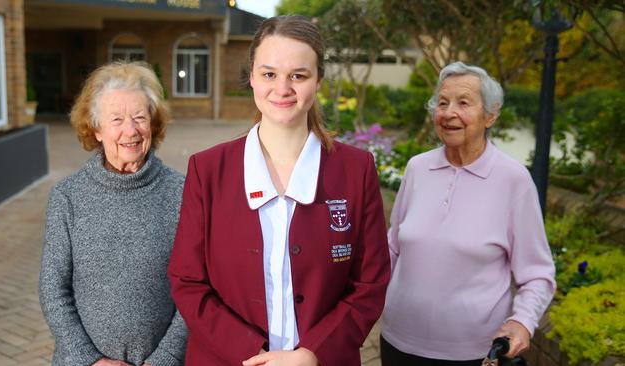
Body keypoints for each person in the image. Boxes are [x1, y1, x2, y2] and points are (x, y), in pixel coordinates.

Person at [167, 15, 390, 366]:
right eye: (269, 74)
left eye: (298, 75)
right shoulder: (208, 170)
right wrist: (249, 353)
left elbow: (371, 282)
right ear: (252, 78)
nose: (282, 88)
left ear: (317, 81)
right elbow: (187, 280)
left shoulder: (355, 170)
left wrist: (313, 353)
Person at [380, 61, 556, 365]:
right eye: (442, 102)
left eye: (463, 103)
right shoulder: (417, 168)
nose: (449, 113)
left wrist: (521, 322)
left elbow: (538, 274)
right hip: (398, 341)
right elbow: (393, 246)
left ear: (490, 115)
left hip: (473, 353)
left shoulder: (513, 180)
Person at [39, 61, 187, 366]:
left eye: (139, 117)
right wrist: (90, 360)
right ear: (96, 128)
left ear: (153, 123)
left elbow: (194, 286)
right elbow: (53, 289)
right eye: (116, 119)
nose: (130, 130)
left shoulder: (182, 192)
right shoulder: (68, 196)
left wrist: (165, 359)